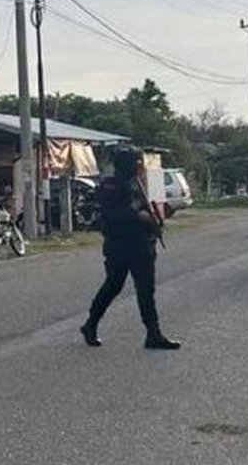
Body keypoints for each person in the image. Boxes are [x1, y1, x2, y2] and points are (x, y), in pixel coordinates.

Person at [81, 147, 180, 350]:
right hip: (120, 244)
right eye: (137, 163)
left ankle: (153, 334)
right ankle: (90, 324)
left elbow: (142, 206)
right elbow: (110, 215)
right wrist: (137, 215)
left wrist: (156, 217)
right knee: (113, 286)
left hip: (142, 243)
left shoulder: (135, 183)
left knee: (146, 290)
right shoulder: (111, 185)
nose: (140, 166)